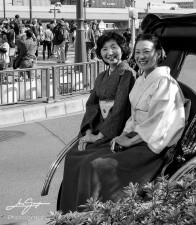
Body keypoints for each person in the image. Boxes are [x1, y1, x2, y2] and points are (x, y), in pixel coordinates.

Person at [58, 33, 186, 213]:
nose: (141, 56)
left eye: (147, 52)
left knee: (93, 165)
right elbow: (131, 116)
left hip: (150, 144)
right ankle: (69, 213)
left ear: (157, 54)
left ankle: (95, 215)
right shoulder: (141, 80)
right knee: (74, 156)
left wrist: (129, 139)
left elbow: (159, 122)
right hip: (133, 135)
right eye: (138, 52)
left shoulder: (164, 82)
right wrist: (122, 134)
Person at [59, 32, 136, 213]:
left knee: (88, 163)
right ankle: (69, 210)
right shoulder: (101, 76)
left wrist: (99, 136)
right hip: (97, 127)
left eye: (114, 47)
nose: (110, 52)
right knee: (72, 155)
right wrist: (87, 131)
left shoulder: (127, 74)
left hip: (114, 130)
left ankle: (89, 212)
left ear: (122, 49)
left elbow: (119, 109)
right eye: (104, 49)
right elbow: (92, 105)